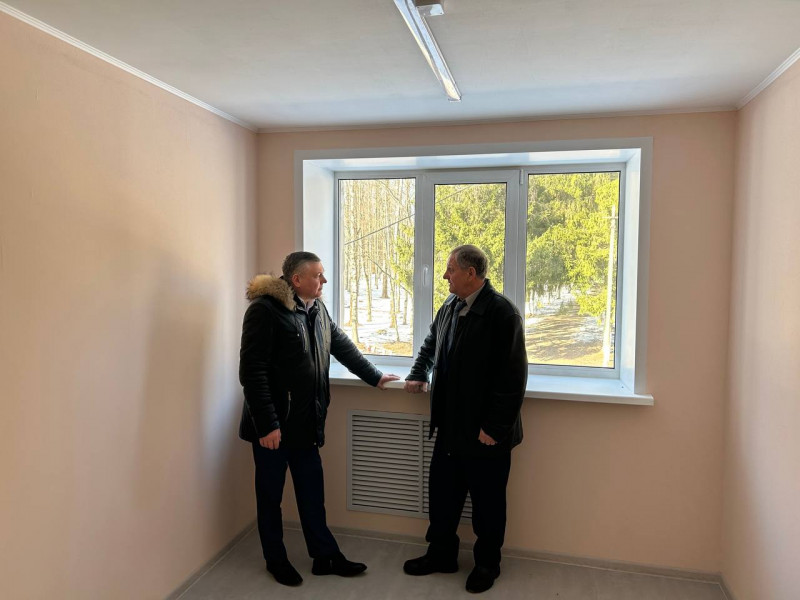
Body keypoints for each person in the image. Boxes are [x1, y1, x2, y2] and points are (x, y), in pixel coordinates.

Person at [239, 251, 399, 587]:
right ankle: (275, 560)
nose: (324, 280)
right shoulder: (265, 310)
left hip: (305, 423)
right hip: (273, 427)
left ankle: (324, 557)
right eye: (318, 275)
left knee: (312, 494)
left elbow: (340, 344)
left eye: (323, 274)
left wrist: (374, 376)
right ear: (297, 279)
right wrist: (267, 424)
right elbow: (252, 372)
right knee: (270, 497)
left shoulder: (316, 309)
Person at [402, 245, 527, 594]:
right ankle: (441, 554)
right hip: (450, 427)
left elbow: (513, 378)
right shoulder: (449, 305)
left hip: (486, 433)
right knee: (443, 497)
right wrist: (418, 372)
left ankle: (487, 564)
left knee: (488, 505)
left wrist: (494, 428)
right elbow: (431, 342)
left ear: (471, 273)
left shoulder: (503, 313)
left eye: (450, 269)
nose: (445, 276)